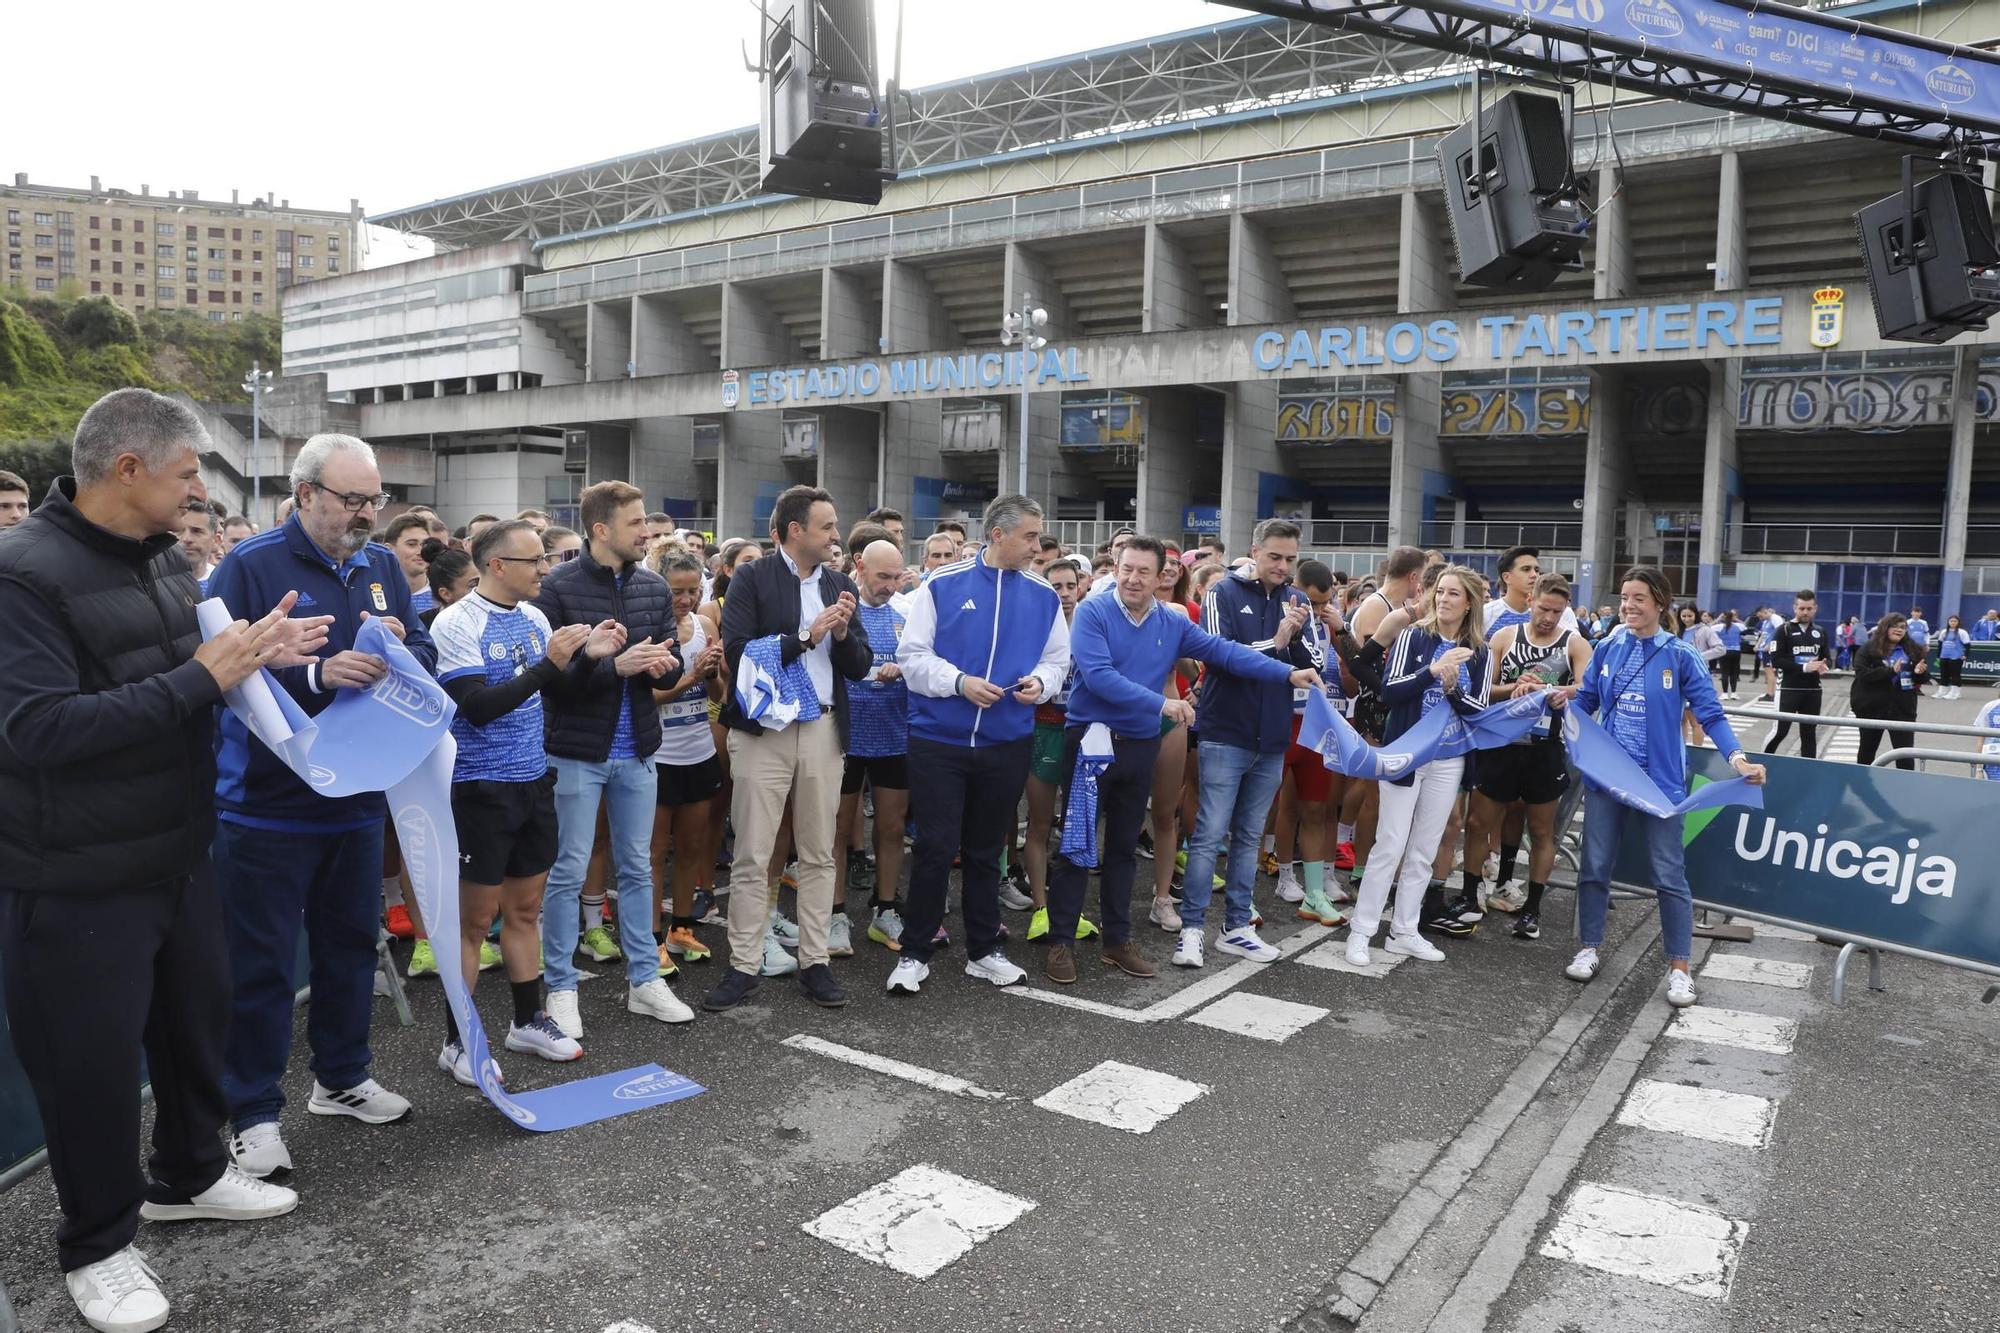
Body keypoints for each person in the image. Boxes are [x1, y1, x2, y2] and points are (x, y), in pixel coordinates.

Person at [0, 389, 324, 1333]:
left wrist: (256, 653)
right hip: (74, 873)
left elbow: (171, 664)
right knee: (90, 1067)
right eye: (189, 473)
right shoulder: (21, 574)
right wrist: (205, 673)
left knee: (194, 1026)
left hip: (178, 850)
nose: (199, 492)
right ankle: (98, 1243)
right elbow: (37, 729)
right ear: (128, 468)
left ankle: (190, 1172)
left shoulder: (159, 561)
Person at [207, 435, 437, 1185]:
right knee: (263, 964)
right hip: (269, 805)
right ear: (305, 493)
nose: (368, 515)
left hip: (358, 796)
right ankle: (252, 1113)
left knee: (349, 948)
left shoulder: (380, 566)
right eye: (353, 500)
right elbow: (224, 676)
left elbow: (427, 652)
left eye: (376, 499)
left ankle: (341, 1077)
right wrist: (314, 670)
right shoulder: (250, 564)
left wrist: (403, 647)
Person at [1050, 536, 1319, 982]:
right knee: (1077, 844)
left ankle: (1117, 942)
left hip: (1138, 744)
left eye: (1143, 572)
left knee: (1121, 848)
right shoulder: (1094, 611)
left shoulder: (1171, 621)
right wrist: (1161, 704)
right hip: (1090, 744)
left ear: (1162, 578)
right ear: (1115, 568)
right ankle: (1061, 941)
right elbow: (1099, 678)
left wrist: (1287, 671)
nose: (1133, 578)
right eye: (1126, 568)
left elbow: (1226, 653)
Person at [885, 496, 1068, 995]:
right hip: (937, 740)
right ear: (997, 534)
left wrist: (1042, 684)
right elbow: (913, 657)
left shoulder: (1043, 595)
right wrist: (960, 682)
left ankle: (984, 951)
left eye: (1038, 537)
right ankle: (915, 952)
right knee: (935, 847)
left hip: (1006, 741)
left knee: (989, 851)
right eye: (1030, 536)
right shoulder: (942, 584)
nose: (1038, 546)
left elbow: (1058, 661)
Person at [431, 520, 593, 1083]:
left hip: (532, 779)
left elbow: (554, 690)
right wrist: (549, 663)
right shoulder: (455, 622)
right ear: (497, 565)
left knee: (525, 911)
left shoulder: (535, 618)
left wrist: (590, 656)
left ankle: (528, 1020)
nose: (545, 570)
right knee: (474, 922)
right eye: (534, 562)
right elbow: (475, 706)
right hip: (480, 787)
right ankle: (457, 1041)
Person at [1563, 567, 1766, 1008]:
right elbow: (1586, 703)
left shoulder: (1679, 654)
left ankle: (1679, 969)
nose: (1629, 605)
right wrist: (1556, 701)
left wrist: (1737, 758)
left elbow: (1710, 714)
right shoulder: (1608, 646)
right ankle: (1590, 947)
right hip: (1609, 779)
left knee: (1669, 876)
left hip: (1661, 786)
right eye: (1623, 597)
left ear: (1660, 603)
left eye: (1639, 598)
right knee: (1595, 866)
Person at [705, 485, 872, 1012]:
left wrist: (843, 635)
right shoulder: (751, 577)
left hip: (823, 729)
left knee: (820, 851)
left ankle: (814, 961)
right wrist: (806, 635)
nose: (835, 534)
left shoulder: (842, 582)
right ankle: (743, 965)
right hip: (764, 732)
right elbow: (736, 652)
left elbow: (861, 666)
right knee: (754, 852)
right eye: (826, 525)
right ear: (795, 530)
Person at [531, 481, 687, 1037]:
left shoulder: (652, 585)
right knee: (568, 869)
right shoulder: (556, 589)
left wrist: (659, 664)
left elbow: (668, 660)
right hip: (575, 750)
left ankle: (645, 980)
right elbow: (549, 682)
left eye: (646, 521)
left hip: (639, 749)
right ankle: (561, 987)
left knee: (639, 867)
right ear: (601, 530)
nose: (647, 531)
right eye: (636, 523)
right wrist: (613, 668)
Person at [1176, 519, 1321, 968]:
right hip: (1225, 731)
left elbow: (1314, 663)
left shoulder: (1297, 599)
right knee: (1208, 836)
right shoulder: (1222, 592)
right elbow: (1219, 656)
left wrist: (1292, 637)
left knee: (1249, 838)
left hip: (1273, 735)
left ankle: (1236, 926)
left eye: (1290, 559)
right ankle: (1192, 930)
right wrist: (1276, 640)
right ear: (1254, 551)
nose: (1282, 566)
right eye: (1274, 556)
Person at [1344, 566, 1492, 967]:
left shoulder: (1481, 649)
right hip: (1407, 753)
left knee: (1425, 849)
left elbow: (1478, 708)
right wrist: (1431, 671)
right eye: (1440, 592)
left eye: (1453, 594)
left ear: (1469, 604)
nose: (1443, 599)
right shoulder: (1413, 635)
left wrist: (1452, 687)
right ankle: (1362, 930)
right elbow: (1390, 691)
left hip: (1449, 758)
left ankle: (1404, 930)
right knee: (1389, 843)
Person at [1465, 572, 1592, 942]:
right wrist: (1514, 689)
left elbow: (1587, 688)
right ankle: (1472, 894)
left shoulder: (1574, 643)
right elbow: (1482, 690)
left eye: (1557, 610)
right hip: (1501, 745)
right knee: (1477, 822)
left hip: (1545, 749)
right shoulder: (1505, 637)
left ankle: (1533, 908)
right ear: (1531, 601)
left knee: (1540, 830)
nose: (1549, 617)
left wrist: (1552, 690)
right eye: (1544, 608)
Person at [648, 547, 726, 967]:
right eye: (677, 590)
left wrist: (712, 673)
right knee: (655, 852)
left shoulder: (706, 624)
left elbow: (718, 695)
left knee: (692, 846)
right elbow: (650, 697)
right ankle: (652, 939)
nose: (686, 599)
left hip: (699, 750)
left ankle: (681, 928)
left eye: (693, 589)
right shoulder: (648, 629)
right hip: (659, 756)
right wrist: (692, 675)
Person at [835, 538, 912, 953]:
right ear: (859, 565)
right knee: (839, 828)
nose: (891, 585)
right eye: (883, 576)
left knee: (891, 827)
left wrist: (904, 668)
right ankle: (835, 914)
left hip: (894, 731)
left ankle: (885, 911)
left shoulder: (908, 609)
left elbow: (922, 659)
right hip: (846, 733)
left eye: (897, 576)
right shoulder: (842, 604)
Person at [1270, 560, 1353, 929]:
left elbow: (1352, 676)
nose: (1318, 610)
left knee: (1317, 809)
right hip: (1280, 723)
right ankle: (1280, 875)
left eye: (1325, 603)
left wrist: (1340, 630)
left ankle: (1315, 892)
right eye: (1313, 603)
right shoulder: (1278, 613)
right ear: (1294, 589)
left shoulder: (1327, 623)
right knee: (1270, 807)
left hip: (1317, 727)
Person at [1021, 557, 1083, 938]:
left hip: (1080, 734)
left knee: (1078, 828)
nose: (1063, 594)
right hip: (1042, 731)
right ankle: (1041, 909)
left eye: (1069, 586)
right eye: (1055, 587)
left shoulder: (1090, 628)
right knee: (1040, 824)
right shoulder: (1034, 626)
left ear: (1081, 587)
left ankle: (1070, 909)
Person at [1851, 613, 1926, 770]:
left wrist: (1919, 673)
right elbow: (1862, 674)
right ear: (1885, 628)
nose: (1899, 630)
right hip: (1872, 708)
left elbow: (1923, 677)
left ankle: (1904, 789)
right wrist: (1890, 671)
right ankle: (1862, 785)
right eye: (1895, 626)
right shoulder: (1868, 648)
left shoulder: (1913, 649)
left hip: (1902, 709)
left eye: (1903, 627)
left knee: (1905, 754)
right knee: (1867, 750)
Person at [1764, 589, 1831, 758]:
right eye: (1802, 608)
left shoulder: (1820, 631)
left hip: (1813, 691)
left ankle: (1808, 772)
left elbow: (1826, 658)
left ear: (1815, 608)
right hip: (1788, 689)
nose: (1805, 612)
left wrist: (1824, 665)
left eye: (1809, 608)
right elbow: (1776, 660)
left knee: (1809, 733)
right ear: (1795, 608)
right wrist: (1803, 667)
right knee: (1780, 731)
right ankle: (1762, 761)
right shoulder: (1783, 630)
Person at [383, 512, 435, 616]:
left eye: (425, 544)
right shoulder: (376, 596)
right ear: (389, 549)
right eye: (412, 544)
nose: (421, 552)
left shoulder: (444, 596)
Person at [176, 504, 217, 590]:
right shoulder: (152, 581)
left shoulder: (221, 581)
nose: (186, 539)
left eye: (196, 531)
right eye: (179, 530)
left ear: (214, 539)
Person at [1934, 613, 1970, 699]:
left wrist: (1966, 655)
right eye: (1951, 621)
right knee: (1944, 674)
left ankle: (1955, 693)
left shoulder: (1962, 632)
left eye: (1955, 621)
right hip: (1944, 656)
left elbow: (1967, 645)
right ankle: (1942, 691)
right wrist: (1938, 656)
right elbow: (1940, 644)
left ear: (1958, 622)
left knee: (1955, 675)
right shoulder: (1944, 632)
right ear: (1948, 622)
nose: (1953, 623)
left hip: (1956, 657)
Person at [1716, 610, 1743, 699]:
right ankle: (1734, 693)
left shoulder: (1719, 627)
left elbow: (1709, 627)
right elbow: (1744, 625)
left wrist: (1718, 619)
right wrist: (1736, 619)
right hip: (1736, 651)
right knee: (1734, 673)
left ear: (1724, 617)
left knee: (1724, 672)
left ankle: (1724, 693)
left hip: (1724, 651)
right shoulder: (1738, 626)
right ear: (1732, 617)